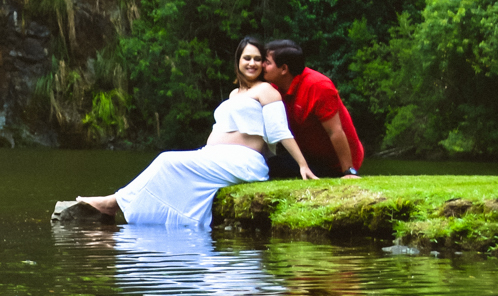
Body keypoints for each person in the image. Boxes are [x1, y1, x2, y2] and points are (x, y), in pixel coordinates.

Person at [57, 36, 318, 230]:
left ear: (263, 64)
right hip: (215, 158)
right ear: (238, 61)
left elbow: (278, 130)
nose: (252, 63)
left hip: (243, 162)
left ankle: (112, 203)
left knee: (166, 160)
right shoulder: (234, 94)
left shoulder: (267, 91)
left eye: (257, 59)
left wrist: (302, 165)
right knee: (170, 166)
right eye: (246, 58)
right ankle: (118, 204)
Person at [261, 39, 364, 179]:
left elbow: (335, 131)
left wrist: (348, 171)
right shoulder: (274, 88)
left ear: (284, 69)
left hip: (335, 164)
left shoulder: (318, 86)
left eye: (267, 62)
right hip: (311, 158)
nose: (261, 65)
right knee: (264, 165)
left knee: (271, 168)